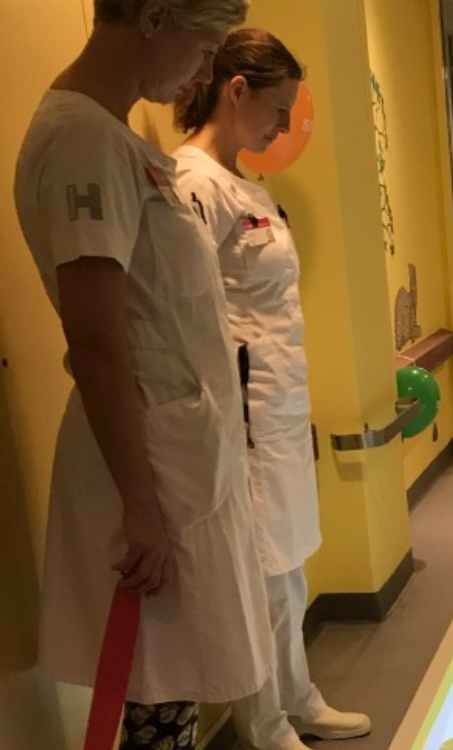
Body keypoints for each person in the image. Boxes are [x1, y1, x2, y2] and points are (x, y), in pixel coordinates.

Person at [13, 1, 273, 748]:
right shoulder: (81, 142)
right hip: (150, 474)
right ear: (154, 17)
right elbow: (95, 339)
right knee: (158, 694)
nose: (205, 70)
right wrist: (140, 507)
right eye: (206, 47)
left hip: (179, 463)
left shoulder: (115, 141)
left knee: (172, 693)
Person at [172, 28, 371, 750]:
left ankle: (300, 697)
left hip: (279, 414)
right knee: (256, 579)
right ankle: (265, 725)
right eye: (278, 109)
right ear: (236, 91)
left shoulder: (250, 186)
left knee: (288, 570)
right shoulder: (191, 185)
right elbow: (186, 314)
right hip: (239, 422)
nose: (285, 127)